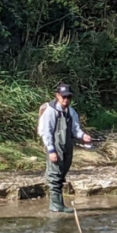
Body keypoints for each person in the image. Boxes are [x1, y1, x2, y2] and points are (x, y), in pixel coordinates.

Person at [38, 83, 92, 213]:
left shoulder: (71, 111)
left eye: (68, 97)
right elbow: (46, 132)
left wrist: (83, 136)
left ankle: (59, 204)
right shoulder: (50, 111)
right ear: (57, 96)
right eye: (63, 97)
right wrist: (51, 150)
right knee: (54, 175)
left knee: (62, 175)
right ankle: (55, 205)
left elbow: (75, 130)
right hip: (55, 146)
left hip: (67, 146)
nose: (66, 100)